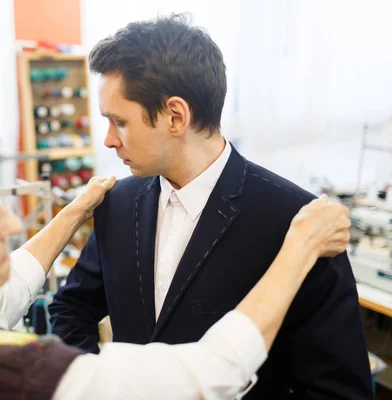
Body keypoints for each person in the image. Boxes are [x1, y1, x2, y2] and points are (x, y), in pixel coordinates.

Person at [0, 122, 351, 400]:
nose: (14, 225)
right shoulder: (18, 379)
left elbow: (6, 291)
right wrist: (298, 247)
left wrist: (71, 214)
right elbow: (210, 374)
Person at [48, 13, 372, 399]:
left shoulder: (298, 223)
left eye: (119, 122)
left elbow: (338, 390)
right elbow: (72, 308)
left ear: (175, 116)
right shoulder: (118, 203)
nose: (108, 141)